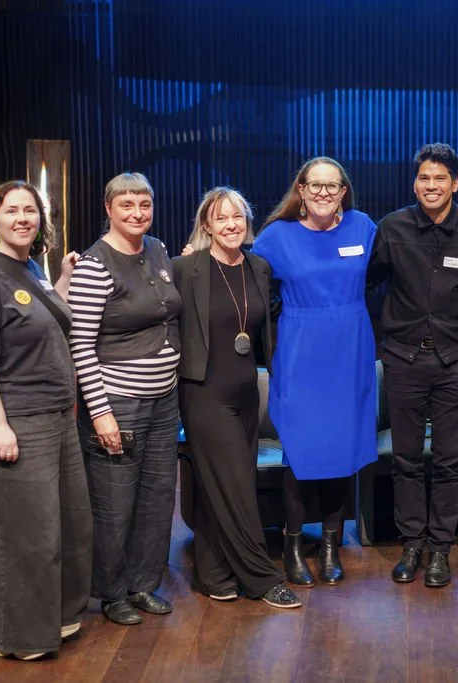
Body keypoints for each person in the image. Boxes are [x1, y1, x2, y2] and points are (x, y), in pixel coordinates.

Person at [0, 180, 91, 660]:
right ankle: (19, 637)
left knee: (66, 524)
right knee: (24, 533)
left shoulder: (30, 269)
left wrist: (63, 281)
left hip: (55, 415)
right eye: (11, 211)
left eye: (30, 210)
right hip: (15, 418)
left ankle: (57, 615)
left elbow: (48, 318)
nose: (22, 219)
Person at [368, 143, 458, 587]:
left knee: (448, 463)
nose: (431, 185)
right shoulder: (392, 227)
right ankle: (412, 545)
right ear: (414, 183)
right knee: (405, 460)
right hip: (403, 360)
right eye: (424, 177)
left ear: (455, 184)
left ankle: (440, 549)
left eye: (440, 178)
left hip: (456, 362)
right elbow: (363, 282)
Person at [251, 157, 377, 587]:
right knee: (299, 452)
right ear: (301, 190)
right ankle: (291, 547)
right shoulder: (276, 236)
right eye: (315, 185)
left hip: (350, 349)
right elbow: (242, 277)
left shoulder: (363, 227)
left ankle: (329, 547)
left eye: (332, 185)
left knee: (342, 450)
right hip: (301, 352)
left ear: (344, 192)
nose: (324, 192)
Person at [173, 187, 301, 609]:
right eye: (221, 218)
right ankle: (262, 577)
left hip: (246, 395)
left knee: (221, 486)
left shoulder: (258, 267)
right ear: (206, 225)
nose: (231, 225)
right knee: (238, 489)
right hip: (204, 396)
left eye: (237, 217)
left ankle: (212, 573)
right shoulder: (185, 268)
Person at [68, 172, 181, 625]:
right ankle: (112, 593)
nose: (137, 213)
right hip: (118, 401)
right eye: (127, 205)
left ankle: (143, 584)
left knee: (157, 496)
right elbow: (80, 345)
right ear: (108, 209)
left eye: (144, 204)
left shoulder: (158, 249)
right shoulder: (94, 266)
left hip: (164, 399)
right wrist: (100, 412)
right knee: (114, 503)